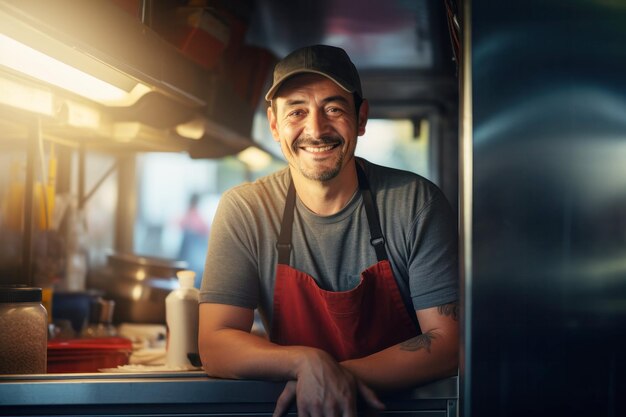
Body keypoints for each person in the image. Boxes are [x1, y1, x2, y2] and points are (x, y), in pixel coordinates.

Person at [198, 44, 459, 416]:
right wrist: (306, 363)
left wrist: (332, 374)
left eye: (334, 108)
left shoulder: (415, 203)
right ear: (274, 124)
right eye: (297, 111)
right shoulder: (246, 210)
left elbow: (450, 344)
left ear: (361, 117)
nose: (316, 129)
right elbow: (215, 344)